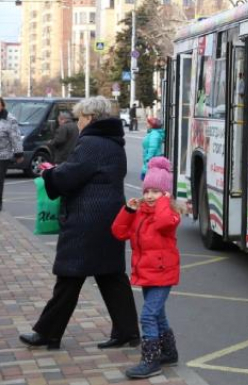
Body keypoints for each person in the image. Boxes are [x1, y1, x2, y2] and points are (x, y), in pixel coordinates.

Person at [19, 96, 140, 351]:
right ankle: (127, 332)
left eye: (81, 117)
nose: (79, 122)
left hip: (88, 217)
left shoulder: (91, 143)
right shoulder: (112, 142)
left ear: (91, 118)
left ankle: (48, 333)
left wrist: (50, 172)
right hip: (108, 215)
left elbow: (71, 174)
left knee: (69, 275)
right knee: (111, 276)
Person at [112, 157, 182, 379]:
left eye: (156, 191)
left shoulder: (170, 214)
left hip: (163, 274)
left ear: (166, 195)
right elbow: (119, 232)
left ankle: (151, 360)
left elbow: (162, 223)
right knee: (158, 315)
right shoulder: (140, 212)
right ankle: (169, 352)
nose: (150, 196)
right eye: (147, 191)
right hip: (146, 273)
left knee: (148, 316)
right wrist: (128, 211)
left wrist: (164, 202)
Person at [0, 96, 25, 211]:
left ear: (2, 105)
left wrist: (19, 153)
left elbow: (16, 138)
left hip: (3, 155)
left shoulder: (10, 119)